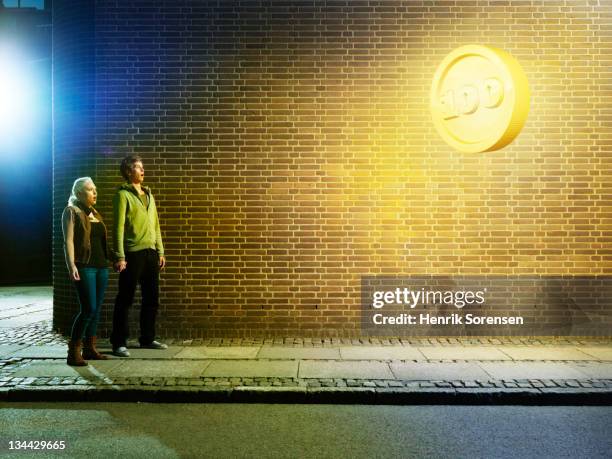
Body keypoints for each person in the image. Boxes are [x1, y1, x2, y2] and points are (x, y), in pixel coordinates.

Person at [110, 155, 167, 357]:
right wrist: (120, 256)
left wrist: (160, 251)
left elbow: (156, 225)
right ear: (128, 171)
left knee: (151, 298)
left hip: (151, 253)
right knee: (125, 298)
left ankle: (147, 338)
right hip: (132, 254)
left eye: (143, 167)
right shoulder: (123, 195)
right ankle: (119, 342)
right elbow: (118, 227)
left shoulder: (149, 195)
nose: (142, 170)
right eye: (138, 167)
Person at [62, 177, 110, 366]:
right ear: (80, 192)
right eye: (91, 189)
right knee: (88, 308)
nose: (95, 192)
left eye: (95, 189)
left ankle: (90, 349)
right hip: (85, 266)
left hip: (101, 267)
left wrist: (115, 258)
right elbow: (68, 241)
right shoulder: (71, 211)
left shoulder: (95, 213)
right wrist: (71, 265)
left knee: (96, 310)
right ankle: (73, 351)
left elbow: (99, 243)